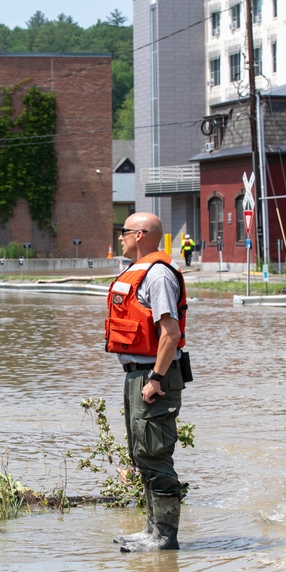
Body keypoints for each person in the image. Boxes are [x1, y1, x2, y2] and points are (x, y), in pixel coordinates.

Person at [105, 212, 189, 552]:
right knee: (141, 453)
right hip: (136, 374)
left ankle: (165, 537)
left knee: (155, 454)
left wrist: (155, 379)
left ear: (140, 235)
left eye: (123, 232)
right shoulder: (137, 273)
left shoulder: (158, 276)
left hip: (154, 375)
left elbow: (171, 333)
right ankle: (152, 530)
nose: (119, 237)